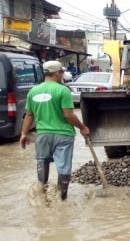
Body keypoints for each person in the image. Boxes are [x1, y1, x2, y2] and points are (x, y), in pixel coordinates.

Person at [20, 60, 91, 206]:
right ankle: (61, 199)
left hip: (43, 135)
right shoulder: (62, 90)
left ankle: (41, 194)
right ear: (58, 73)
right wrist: (82, 127)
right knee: (64, 167)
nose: (63, 75)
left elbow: (29, 115)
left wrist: (24, 133)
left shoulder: (33, 91)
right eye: (62, 72)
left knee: (42, 161)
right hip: (63, 135)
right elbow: (68, 115)